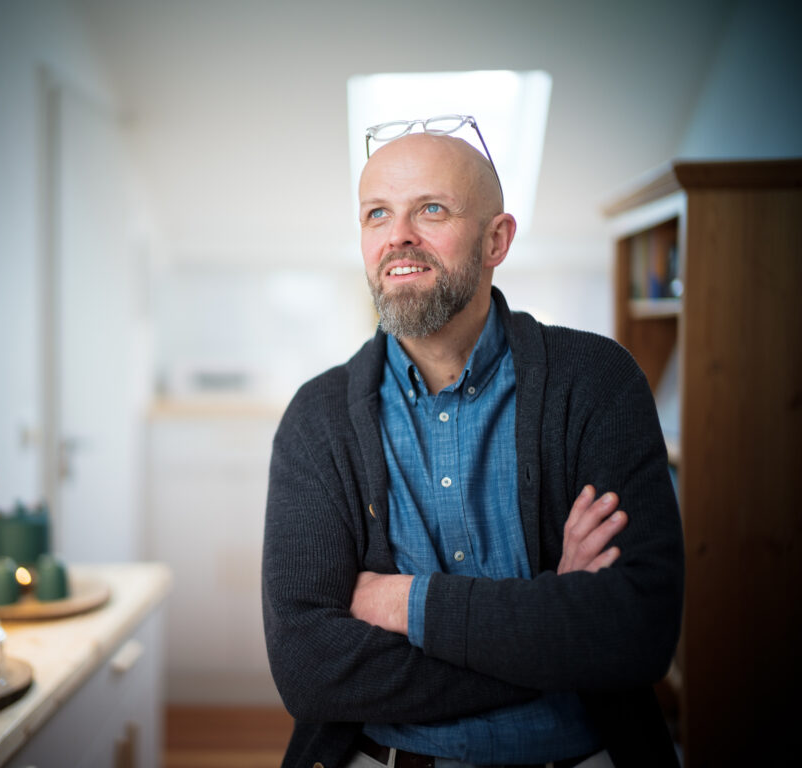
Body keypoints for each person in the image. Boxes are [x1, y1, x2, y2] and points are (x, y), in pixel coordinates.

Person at [262, 124, 684, 768]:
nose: (398, 235)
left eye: (431, 209)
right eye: (378, 213)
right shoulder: (317, 418)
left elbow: (635, 634)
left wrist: (401, 602)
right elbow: (310, 668)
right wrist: (550, 630)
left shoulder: (598, 381)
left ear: (497, 239)